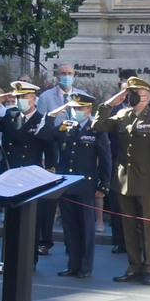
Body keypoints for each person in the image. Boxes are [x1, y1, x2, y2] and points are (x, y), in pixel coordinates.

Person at [91, 77, 150, 285]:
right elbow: (97, 125)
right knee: (129, 226)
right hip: (124, 180)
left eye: (135, 93)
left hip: (148, 180)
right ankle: (134, 266)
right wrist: (110, 104)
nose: (131, 96)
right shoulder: (122, 115)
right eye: (129, 92)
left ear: (146, 97)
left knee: (147, 227)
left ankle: (149, 268)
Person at [40, 90, 112, 279]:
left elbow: (105, 158)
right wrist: (53, 115)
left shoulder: (96, 129)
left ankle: (86, 266)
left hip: (85, 184)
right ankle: (73, 264)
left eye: (79, 108)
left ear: (88, 110)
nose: (75, 112)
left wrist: (103, 185)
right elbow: (43, 134)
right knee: (69, 227)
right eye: (73, 108)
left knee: (86, 228)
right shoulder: (67, 127)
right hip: (66, 184)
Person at [0, 80, 49, 274]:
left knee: (30, 221)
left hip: (31, 176)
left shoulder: (42, 119)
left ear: (33, 99)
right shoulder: (11, 116)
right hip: (11, 174)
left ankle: (30, 261)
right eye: (18, 97)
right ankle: (6, 260)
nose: (20, 101)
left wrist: (50, 172)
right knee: (10, 220)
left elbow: (49, 148)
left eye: (24, 97)